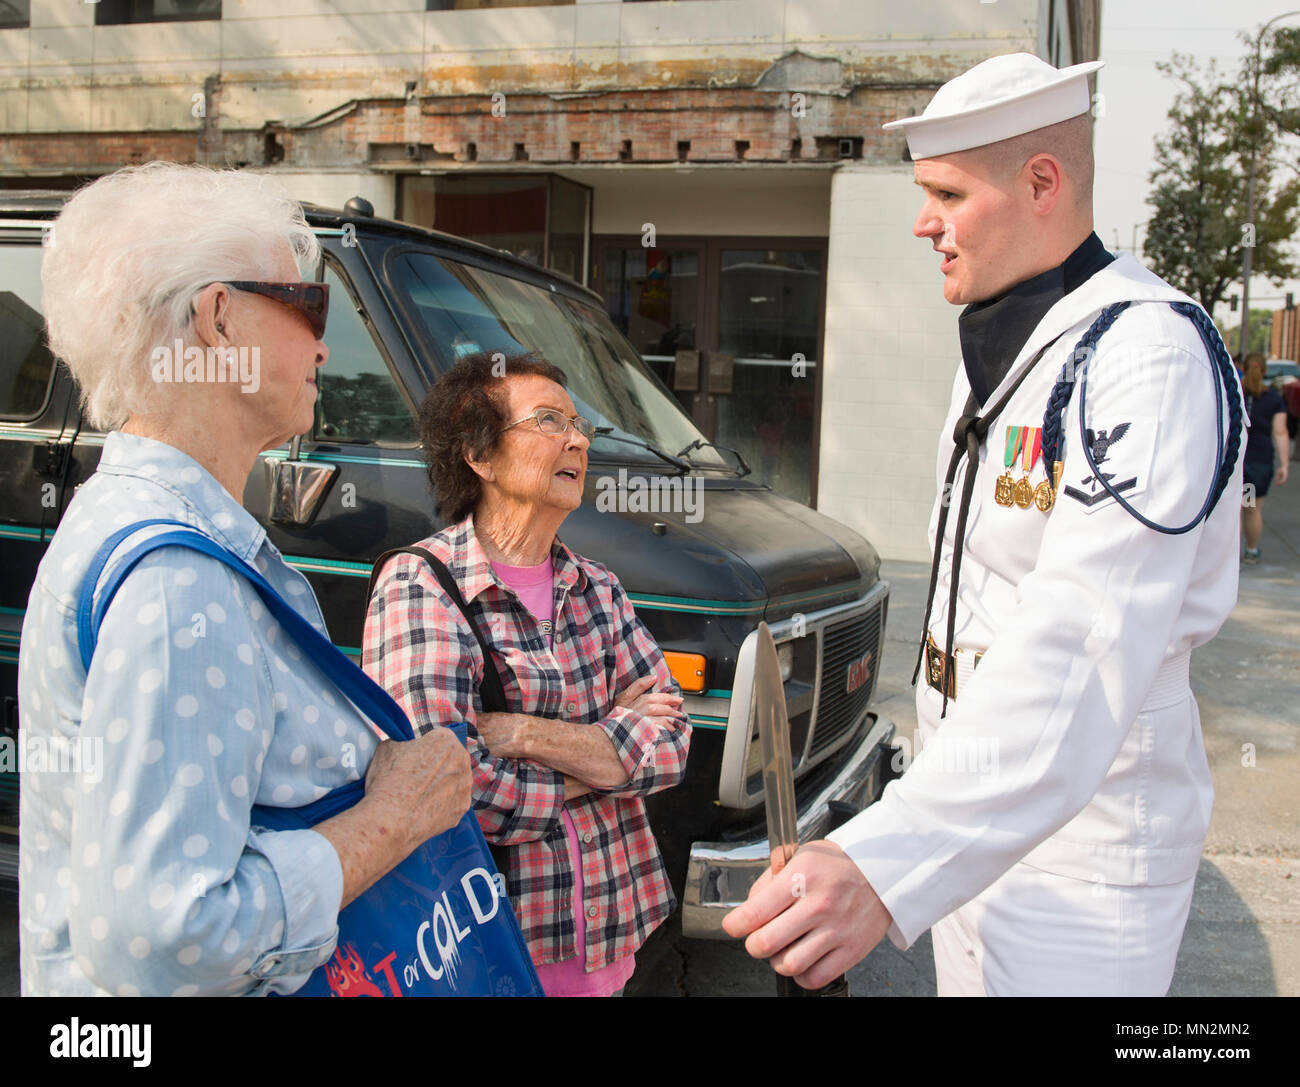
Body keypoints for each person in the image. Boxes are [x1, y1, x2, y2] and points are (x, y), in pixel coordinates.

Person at [724, 53, 1244, 996]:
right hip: (973, 818)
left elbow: (1079, 644)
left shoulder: (1144, 355)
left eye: (948, 195)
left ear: (1042, 183)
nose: (923, 221)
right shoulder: (1005, 345)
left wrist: (886, 860)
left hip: (1078, 859)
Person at [18, 162, 471, 997]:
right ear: (219, 319)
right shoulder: (176, 578)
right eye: (310, 306)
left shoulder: (132, 526)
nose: (325, 345)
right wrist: (397, 817)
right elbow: (167, 938)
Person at [363, 351, 691, 997]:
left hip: (612, 936)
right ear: (479, 455)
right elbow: (443, 783)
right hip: (497, 949)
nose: (576, 439)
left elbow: (674, 744)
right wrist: (603, 755)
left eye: (578, 424)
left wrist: (523, 734)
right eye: (547, 421)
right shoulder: (422, 584)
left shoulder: (598, 586)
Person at [1240, 353, 1289, 562]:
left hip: (1236, 459)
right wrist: (1285, 464)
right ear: (1265, 370)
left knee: (1237, 508)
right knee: (1251, 508)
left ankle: (1229, 555)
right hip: (1259, 461)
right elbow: (1280, 431)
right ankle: (1251, 550)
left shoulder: (1234, 393)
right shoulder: (1274, 399)